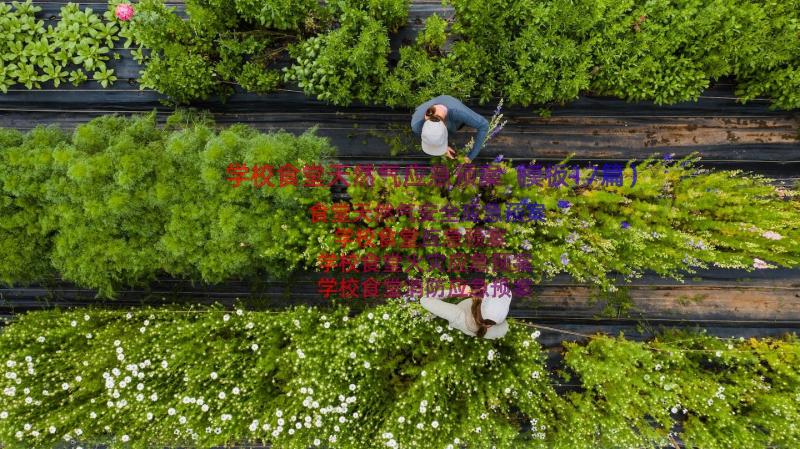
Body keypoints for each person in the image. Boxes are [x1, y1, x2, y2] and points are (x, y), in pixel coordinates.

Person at [419, 280, 511, 339]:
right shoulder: (501, 327)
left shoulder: (457, 315)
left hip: (457, 309)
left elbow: (424, 300)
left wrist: (456, 292)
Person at [410, 95, 490, 163]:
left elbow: (484, 125)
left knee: (456, 127)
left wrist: (470, 157)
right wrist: (445, 148)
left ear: (445, 126)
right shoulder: (416, 125)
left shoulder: (459, 113)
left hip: (453, 112)